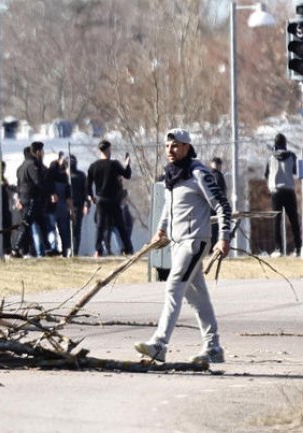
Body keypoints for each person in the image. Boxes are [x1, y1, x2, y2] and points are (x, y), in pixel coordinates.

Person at [135, 128, 231, 364]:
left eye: (176, 145)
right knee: (197, 297)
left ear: (187, 147)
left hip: (195, 240)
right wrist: (160, 231)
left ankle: (159, 343)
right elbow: (168, 209)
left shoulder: (199, 172)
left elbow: (222, 205)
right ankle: (213, 347)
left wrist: (224, 237)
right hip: (177, 243)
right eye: (167, 146)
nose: (170, 150)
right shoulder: (171, 175)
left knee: (173, 287)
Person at [87, 140, 133, 256]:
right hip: (113, 200)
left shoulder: (93, 166)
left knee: (100, 226)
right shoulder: (114, 164)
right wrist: (127, 164)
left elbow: (87, 185)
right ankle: (128, 249)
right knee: (121, 226)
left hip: (101, 200)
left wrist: (91, 196)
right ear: (108, 150)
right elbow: (127, 175)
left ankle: (98, 250)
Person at [264, 133, 301, 257]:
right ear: (285, 143)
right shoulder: (292, 156)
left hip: (276, 193)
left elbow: (266, 174)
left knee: (277, 221)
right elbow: (296, 171)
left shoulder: (271, 158)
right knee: (294, 220)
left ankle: (278, 249)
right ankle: (298, 248)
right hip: (289, 191)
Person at [14, 142, 53, 257]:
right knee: (27, 224)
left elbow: (19, 185)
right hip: (32, 199)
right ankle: (16, 248)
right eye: (42, 151)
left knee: (42, 224)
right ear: (38, 152)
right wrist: (49, 193)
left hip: (25, 199)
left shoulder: (21, 167)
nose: (43, 154)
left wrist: (19, 198)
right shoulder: (32, 165)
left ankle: (48, 249)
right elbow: (38, 182)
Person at [48, 155, 72, 257]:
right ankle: (66, 249)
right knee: (64, 230)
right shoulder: (65, 178)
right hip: (62, 207)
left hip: (52, 208)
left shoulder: (49, 179)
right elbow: (68, 197)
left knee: (52, 229)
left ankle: (54, 248)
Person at [68, 155, 89, 256]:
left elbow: (86, 191)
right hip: (67, 206)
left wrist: (86, 204)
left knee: (75, 230)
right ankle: (70, 250)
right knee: (70, 230)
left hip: (77, 206)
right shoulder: (64, 176)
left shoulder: (80, 175)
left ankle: (74, 251)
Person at [209, 157, 227, 246]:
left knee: (211, 230)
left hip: (209, 207)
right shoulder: (218, 176)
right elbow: (220, 192)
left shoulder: (207, 175)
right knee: (215, 230)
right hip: (216, 207)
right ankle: (213, 248)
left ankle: (210, 248)